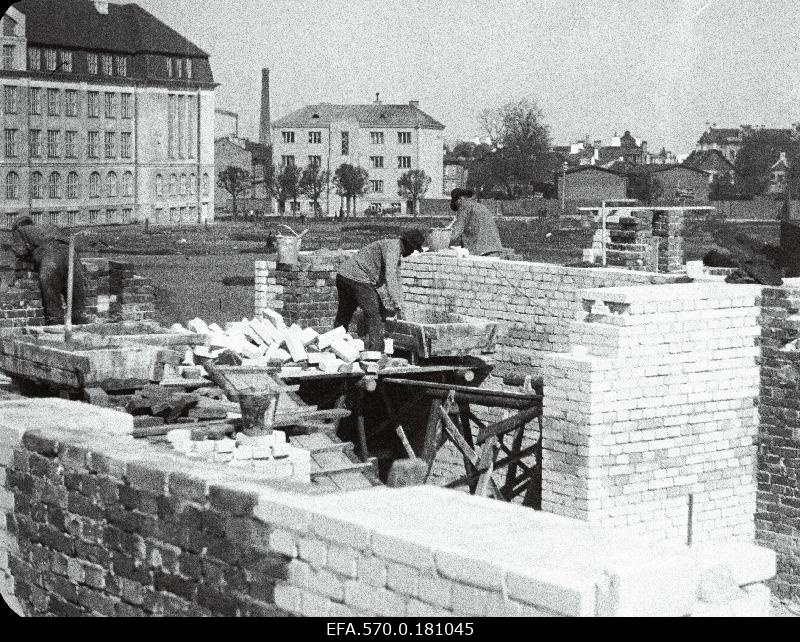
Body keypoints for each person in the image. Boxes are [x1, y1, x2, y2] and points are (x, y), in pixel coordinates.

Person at [334, 228, 427, 351]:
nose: (412, 252)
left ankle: (335, 345)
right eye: (413, 249)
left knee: (344, 314)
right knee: (375, 314)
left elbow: (397, 280)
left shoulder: (392, 247)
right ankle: (375, 354)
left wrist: (400, 303)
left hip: (343, 275)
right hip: (358, 277)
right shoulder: (394, 249)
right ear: (408, 245)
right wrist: (397, 304)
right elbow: (390, 276)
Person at [10, 216, 89, 325]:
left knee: (50, 290)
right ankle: (80, 320)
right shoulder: (49, 227)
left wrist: (32, 256)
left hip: (51, 256)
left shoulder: (21, 230)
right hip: (71, 253)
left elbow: (20, 251)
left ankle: (55, 322)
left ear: (18, 226)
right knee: (75, 290)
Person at [447, 188, 503, 257]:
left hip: (481, 252)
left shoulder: (464, 207)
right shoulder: (481, 207)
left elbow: (456, 233)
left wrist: (441, 246)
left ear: (460, 199)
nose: (458, 209)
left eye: (457, 204)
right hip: (495, 249)